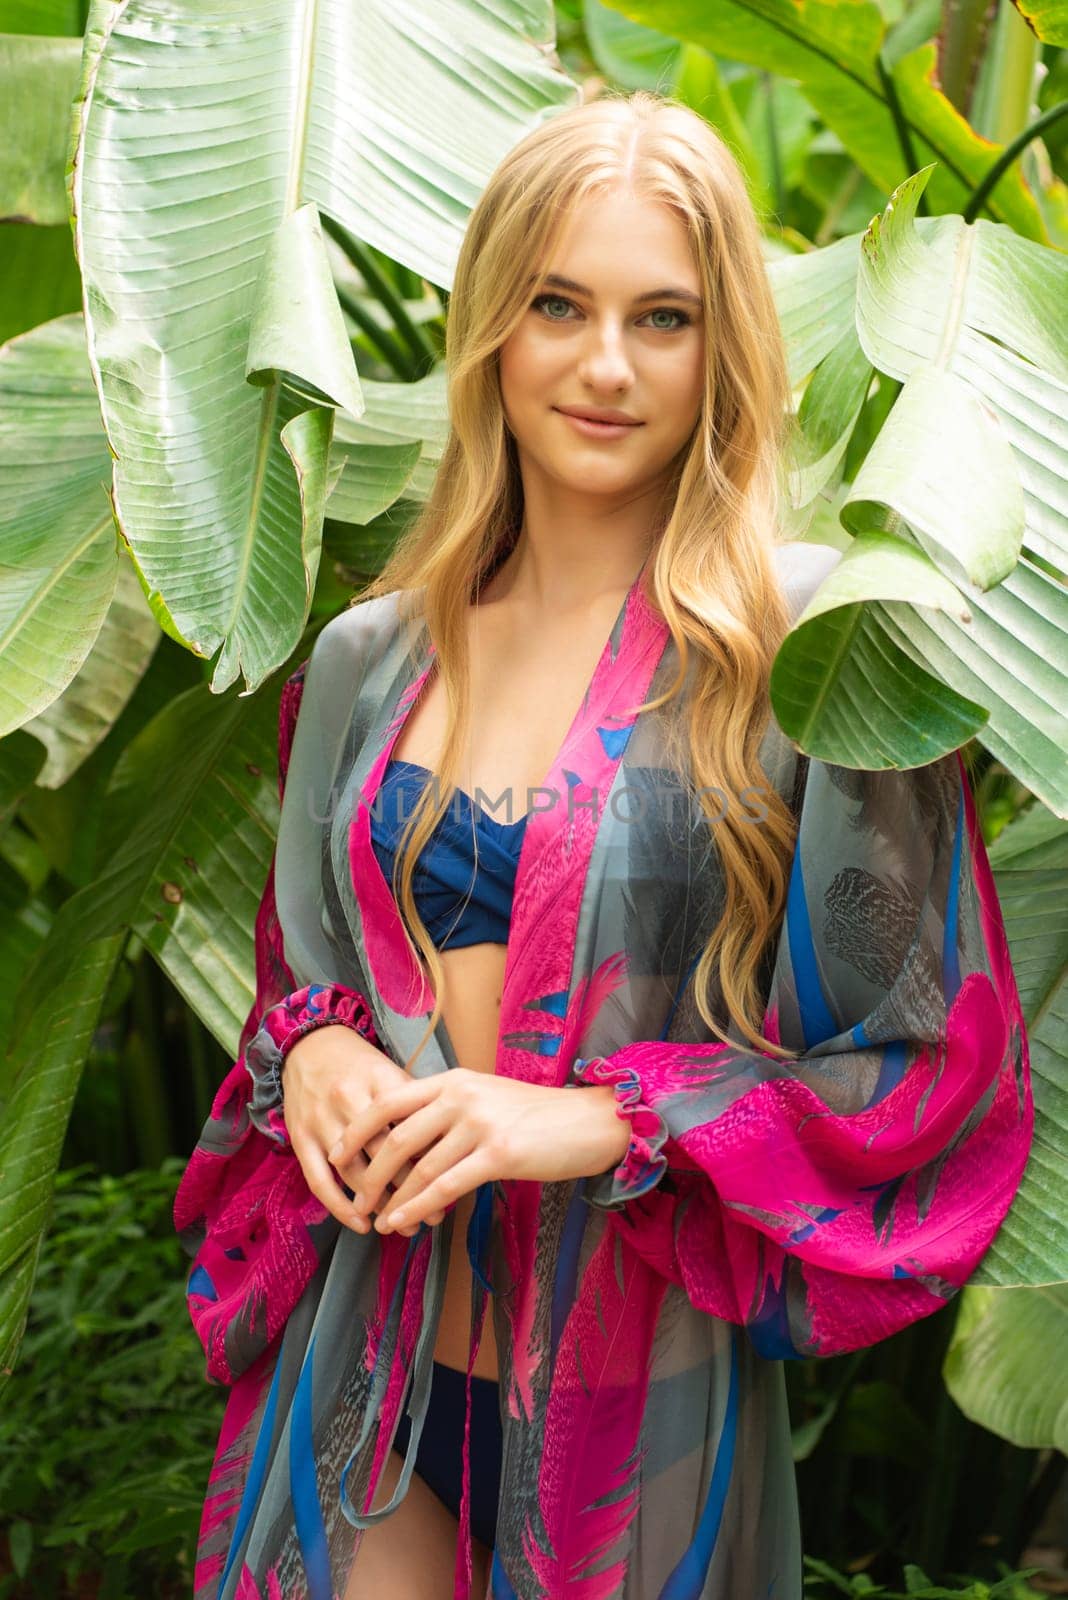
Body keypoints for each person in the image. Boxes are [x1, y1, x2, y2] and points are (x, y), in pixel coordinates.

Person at [173, 90, 1034, 1600]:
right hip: (371, 1360)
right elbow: (294, 985)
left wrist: (608, 1122)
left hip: (634, 1404)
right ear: (494, 320)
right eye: (559, 304)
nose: (606, 365)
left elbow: (923, 1066)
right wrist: (311, 1052)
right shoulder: (370, 662)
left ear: (728, 348)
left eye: (666, 317)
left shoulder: (814, 661)